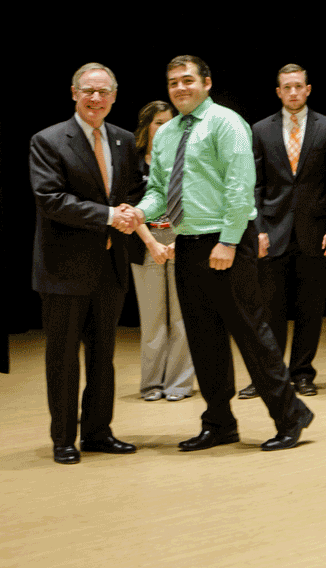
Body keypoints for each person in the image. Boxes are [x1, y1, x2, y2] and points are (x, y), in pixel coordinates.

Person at [133, 55, 314, 451]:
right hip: (189, 242)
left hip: (229, 241)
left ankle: (290, 414)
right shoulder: (165, 135)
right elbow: (159, 192)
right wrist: (139, 212)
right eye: (173, 82)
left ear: (207, 83)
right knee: (203, 338)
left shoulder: (226, 123)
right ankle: (219, 423)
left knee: (251, 334)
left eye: (187, 80)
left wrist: (229, 241)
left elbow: (239, 186)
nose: (180, 88)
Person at [29, 62, 141, 464]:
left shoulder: (124, 141)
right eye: (89, 91)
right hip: (63, 271)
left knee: (102, 357)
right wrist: (111, 216)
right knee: (62, 359)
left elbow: (135, 190)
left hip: (110, 269)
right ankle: (63, 438)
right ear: (74, 93)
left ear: (114, 96)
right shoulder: (48, 140)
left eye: (104, 91)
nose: (97, 99)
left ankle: (98, 432)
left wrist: (144, 212)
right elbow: (51, 200)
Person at [239, 64, 326, 400]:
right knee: (269, 309)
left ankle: (301, 373)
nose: (294, 92)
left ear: (308, 89)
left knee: (310, 308)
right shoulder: (261, 129)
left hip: (315, 230)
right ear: (278, 92)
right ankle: (268, 374)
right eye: (287, 87)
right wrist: (257, 228)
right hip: (272, 230)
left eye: (299, 86)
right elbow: (254, 184)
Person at [126, 101, 197, 403]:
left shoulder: (187, 157)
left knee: (182, 318)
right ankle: (152, 384)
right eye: (158, 122)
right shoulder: (132, 160)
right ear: (146, 126)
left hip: (182, 239)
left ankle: (179, 384)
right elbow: (128, 207)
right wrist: (153, 243)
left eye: (170, 122)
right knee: (153, 320)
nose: (165, 127)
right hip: (145, 241)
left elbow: (196, 199)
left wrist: (177, 240)